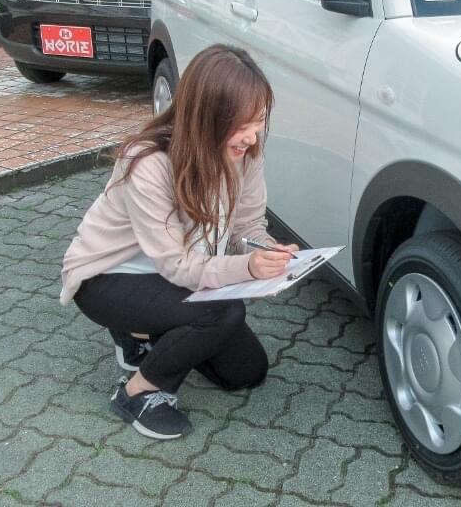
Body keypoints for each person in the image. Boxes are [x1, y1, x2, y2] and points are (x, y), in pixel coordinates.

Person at [59, 44, 298, 440]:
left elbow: (247, 225)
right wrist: (247, 269)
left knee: (246, 373)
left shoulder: (247, 153)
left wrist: (265, 249)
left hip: (170, 277)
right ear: (209, 118)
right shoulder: (150, 162)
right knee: (221, 313)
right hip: (109, 277)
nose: (252, 136)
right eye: (243, 125)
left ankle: (144, 334)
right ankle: (137, 393)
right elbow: (178, 267)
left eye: (259, 122)